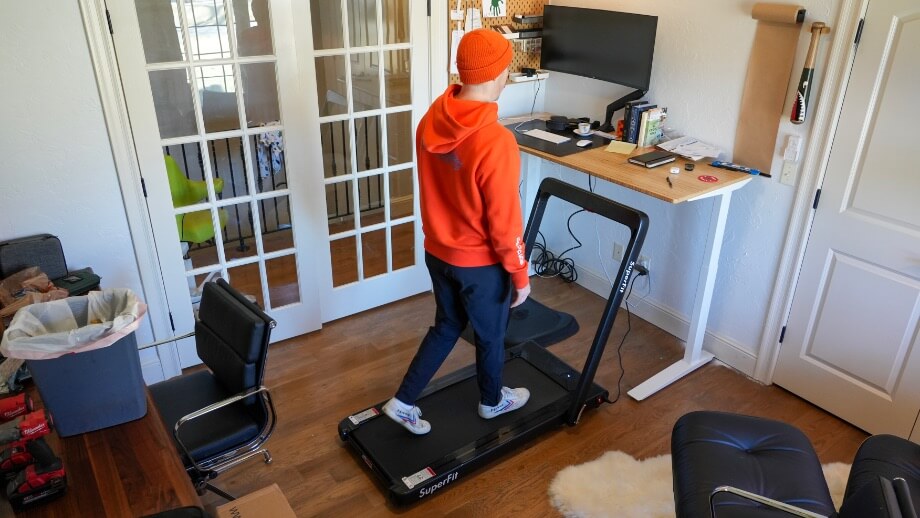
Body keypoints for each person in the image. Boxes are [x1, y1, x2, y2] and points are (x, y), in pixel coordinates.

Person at [382, 29, 531, 435]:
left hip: (439, 253)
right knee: (490, 335)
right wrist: (520, 275)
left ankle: (403, 401)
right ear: (499, 73)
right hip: (479, 265)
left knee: (448, 325)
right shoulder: (496, 140)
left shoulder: (433, 117)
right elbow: (504, 223)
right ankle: (491, 401)